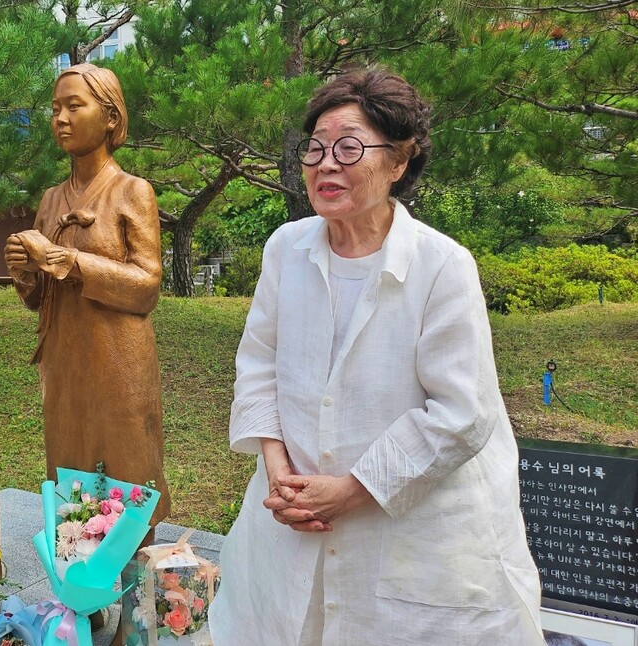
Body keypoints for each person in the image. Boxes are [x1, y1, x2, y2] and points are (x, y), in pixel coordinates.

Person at [207, 67, 545, 645]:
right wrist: (278, 468)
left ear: (399, 161)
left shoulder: (442, 265)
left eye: (348, 147)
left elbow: (461, 413)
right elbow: (259, 362)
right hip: (294, 512)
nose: (325, 164)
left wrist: (350, 489)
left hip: (415, 527)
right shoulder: (286, 249)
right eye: (314, 148)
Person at [4, 63, 171, 527]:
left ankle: (135, 578)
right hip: (65, 359)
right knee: (70, 467)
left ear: (111, 116)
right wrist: (24, 271)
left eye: (75, 106)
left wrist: (66, 260)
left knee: (127, 468)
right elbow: (39, 299)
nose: (60, 118)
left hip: (118, 358)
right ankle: (79, 577)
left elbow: (146, 287)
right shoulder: (52, 200)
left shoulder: (131, 192)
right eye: (55, 108)